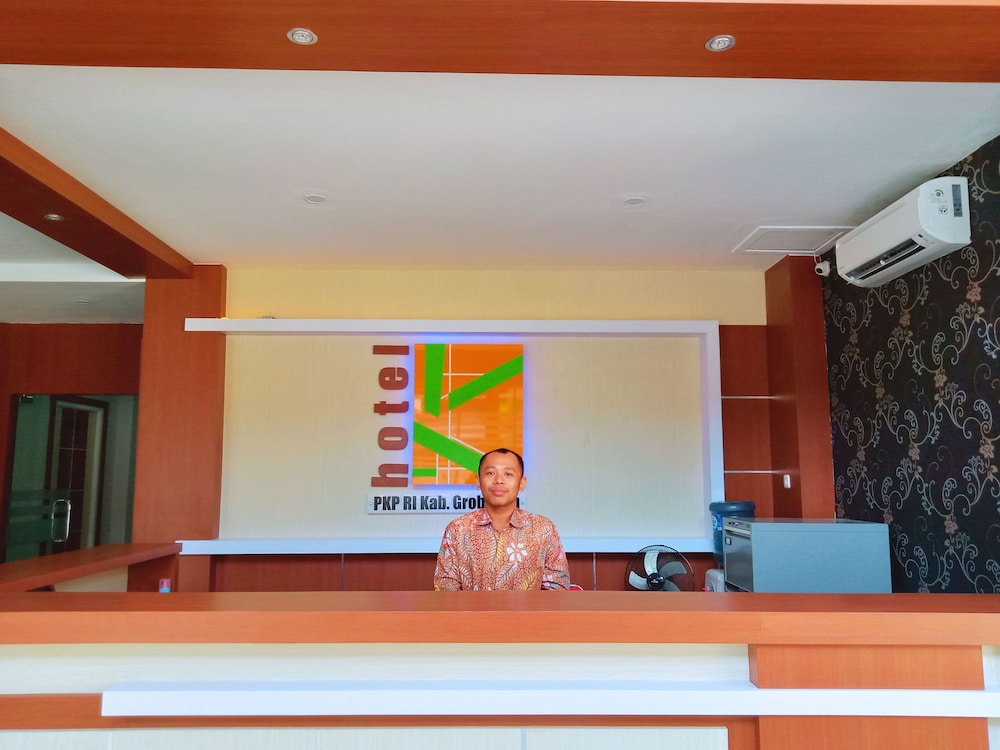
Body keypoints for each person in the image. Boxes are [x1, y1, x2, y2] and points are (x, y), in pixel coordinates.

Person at [433, 448, 570, 591]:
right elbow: (445, 589)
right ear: (478, 481)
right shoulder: (458, 529)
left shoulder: (543, 529)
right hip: (471, 607)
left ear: (522, 483)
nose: (499, 480)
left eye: (508, 474)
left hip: (528, 608)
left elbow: (558, 588)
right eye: (490, 473)